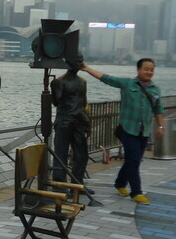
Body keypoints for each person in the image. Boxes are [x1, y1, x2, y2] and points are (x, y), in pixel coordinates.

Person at [81, 58, 165, 204]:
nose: (149, 72)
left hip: (143, 131)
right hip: (128, 129)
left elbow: (158, 109)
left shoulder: (155, 90)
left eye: (152, 69)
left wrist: (161, 126)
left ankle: (120, 183)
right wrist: (87, 68)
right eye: (146, 68)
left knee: (134, 160)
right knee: (133, 160)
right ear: (138, 70)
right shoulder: (127, 84)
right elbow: (107, 78)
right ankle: (136, 192)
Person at [50, 59, 90, 188]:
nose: (78, 64)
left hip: (79, 121)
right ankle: (59, 184)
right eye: (76, 61)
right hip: (64, 121)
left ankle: (77, 184)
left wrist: (86, 121)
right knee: (60, 154)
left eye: (80, 61)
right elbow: (56, 102)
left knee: (82, 154)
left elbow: (83, 102)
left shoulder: (82, 82)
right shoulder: (60, 82)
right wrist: (53, 89)